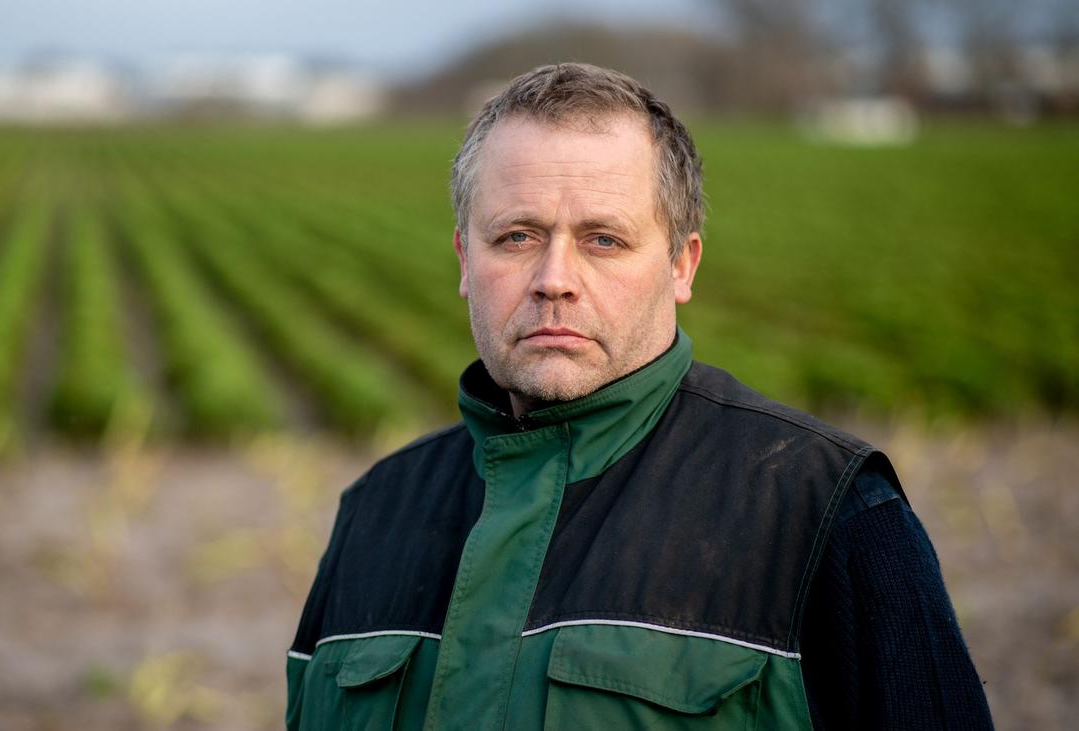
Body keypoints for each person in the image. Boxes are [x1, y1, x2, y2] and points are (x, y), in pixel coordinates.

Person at [285, 63, 993, 730]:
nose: (554, 277)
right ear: (466, 260)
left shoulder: (826, 511)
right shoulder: (375, 509)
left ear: (682, 265)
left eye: (603, 239)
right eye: (517, 235)